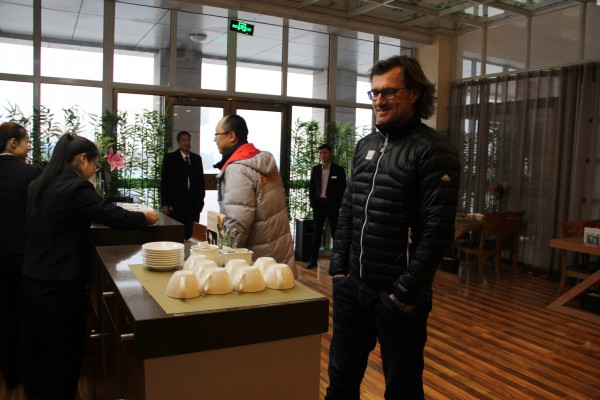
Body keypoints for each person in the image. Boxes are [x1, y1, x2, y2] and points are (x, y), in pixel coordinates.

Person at [325, 55, 461, 399]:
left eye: (389, 92)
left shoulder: (435, 150)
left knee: (402, 390)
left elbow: (437, 233)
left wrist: (403, 294)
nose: (379, 101)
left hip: (397, 298)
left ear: (414, 94)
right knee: (340, 383)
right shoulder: (366, 146)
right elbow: (348, 210)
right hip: (353, 288)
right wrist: (339, 270)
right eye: (374, 93)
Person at [20, 134, 158, 400]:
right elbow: (115, 216)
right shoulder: (75, 188)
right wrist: (146, 217)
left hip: (31, 280)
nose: (95, 170)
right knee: (64, 357)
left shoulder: (38, 185)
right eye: (95, 163)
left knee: (40, 352)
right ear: (83, 159)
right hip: (60, 287)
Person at [213, 114, 297, 276]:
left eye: (217, 134)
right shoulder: (262, 161)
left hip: (257, 259)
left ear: (232, 136)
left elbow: (237, 222)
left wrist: (222, 257)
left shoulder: (238, 169)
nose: (215, 139)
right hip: (277, 251)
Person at [0, 122, 40, 391]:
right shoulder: (30, 173)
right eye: (26, 142)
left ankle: (10, 375)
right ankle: (29, 377)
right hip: (24, 255)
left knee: (3, 315)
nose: (28, 148)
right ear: (13, 143)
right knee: (26, 316)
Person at [160, 130, 206, 240]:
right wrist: (165, 204)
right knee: (176, 235)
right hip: (175, 205)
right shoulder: (170, 158)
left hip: (193, 205)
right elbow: (165, 182)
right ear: (178, 143)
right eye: (183, 140)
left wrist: (200, 202)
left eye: (188, 140)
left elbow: (201, 183)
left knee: (191, 236)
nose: (186, 143)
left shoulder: (197, 159)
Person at [306, 144, 346, 269]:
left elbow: (342, 189)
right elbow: (312, 188)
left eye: (325, 153)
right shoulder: (316, 169)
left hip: (332, 206)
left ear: (330, 154)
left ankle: (338, 262)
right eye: (320, 153)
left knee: (335, 234)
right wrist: (313, 203)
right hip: (319, 205)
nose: (322, 155)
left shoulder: (338, 170)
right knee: (317, 233)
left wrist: (339, 204)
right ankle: (313, 261)